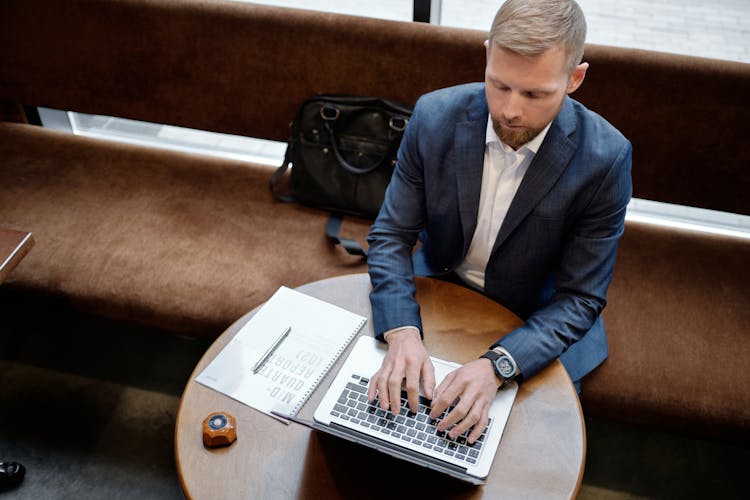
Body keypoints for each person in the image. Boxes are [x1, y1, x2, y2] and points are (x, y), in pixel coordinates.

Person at [365, 0, 632, 445]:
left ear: (575, 79)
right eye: (499, 85)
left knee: (518, 462)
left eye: (534, 94)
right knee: (378, 425)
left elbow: (581, 297)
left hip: (536, 322)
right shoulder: (434, 117)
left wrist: (499, 365)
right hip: (439, 292)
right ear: (487, 54)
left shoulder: (606, 158)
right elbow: (392, 235)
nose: (510, 110)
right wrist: (402, 331)